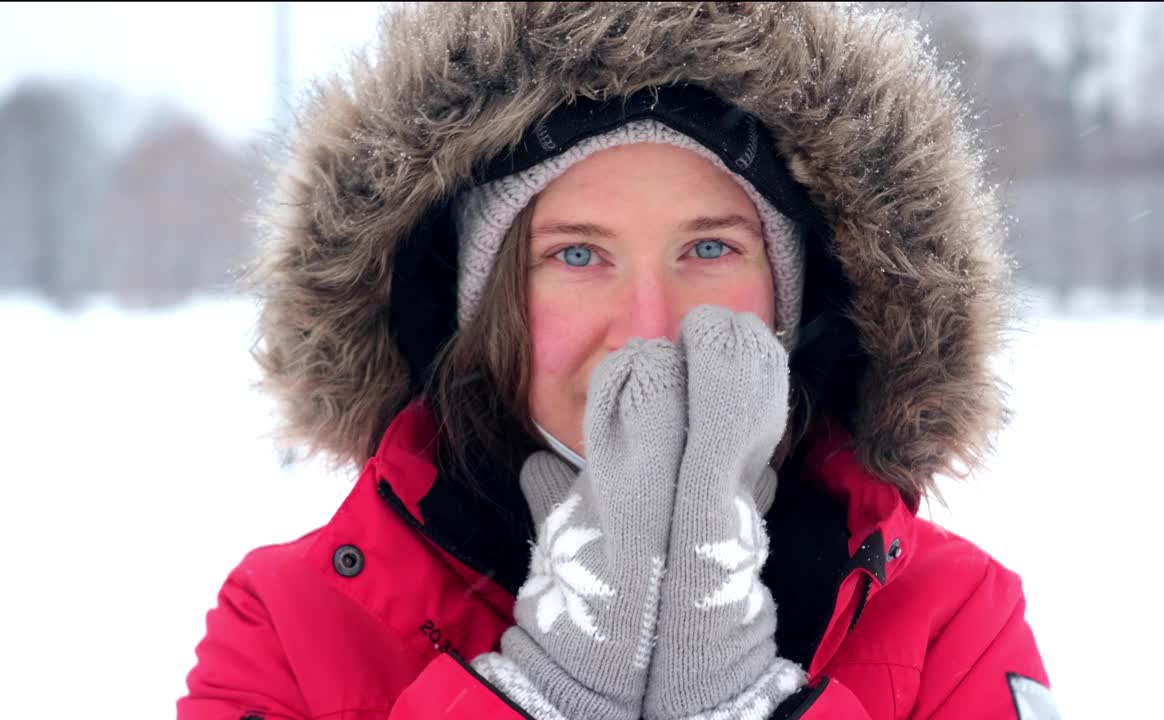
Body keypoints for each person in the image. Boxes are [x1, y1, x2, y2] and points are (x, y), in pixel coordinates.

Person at [179, 3, 1060, 719]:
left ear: (794, 297)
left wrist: (729, 691)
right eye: (576, 255)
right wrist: (556, 687)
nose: (648, 330)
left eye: (709, 250)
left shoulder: (955, 620)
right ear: (490, 306)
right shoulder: (291, 627)